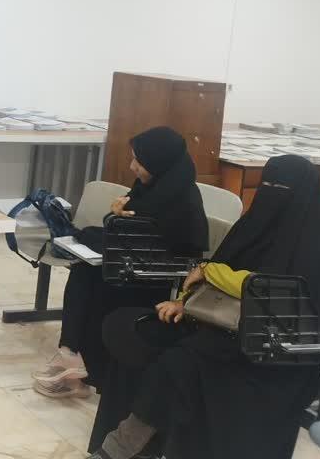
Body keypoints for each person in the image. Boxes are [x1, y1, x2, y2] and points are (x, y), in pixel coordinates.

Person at [87, 154, 320, 459]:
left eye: (280, 188)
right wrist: (184, 302)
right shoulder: (253, 227)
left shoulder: (319, 250)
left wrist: (211, 272)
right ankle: (142, 446)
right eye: (267, 186)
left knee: (177, 365)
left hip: (274, 352)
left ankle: (118, 449)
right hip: (220, 328)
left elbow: (273, 291)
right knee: (133, 333)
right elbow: (215, 269)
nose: (271, 194)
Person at [33, 126, 209, 398]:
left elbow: (168, 245)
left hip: (155, 276)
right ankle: (71, 357)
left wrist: (114, 223)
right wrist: (115, 216)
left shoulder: (181, 200)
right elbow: (123, 230)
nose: (132, 167)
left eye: (139, 161)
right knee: (84, 270)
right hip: (131, 262)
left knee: (97, 279)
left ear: (159, 162)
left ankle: (81, 369)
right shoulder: (152, 186)